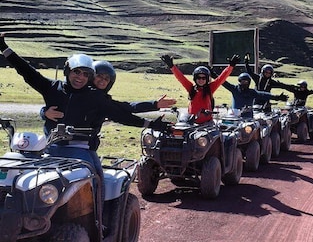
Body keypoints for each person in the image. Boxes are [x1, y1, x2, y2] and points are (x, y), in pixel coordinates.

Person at [0, 34, 169, 221]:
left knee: (96, 182)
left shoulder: (95, 97)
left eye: (85, 74)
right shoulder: (51, 88)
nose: (80, 77)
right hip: (49, 149)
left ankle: (98, 222)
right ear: (68, 70)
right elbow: (26, 71)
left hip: (81, 150)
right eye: (76, 72)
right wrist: (4, 48)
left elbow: (122, 112)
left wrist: (151, 123)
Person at [42, 60, 177, 122]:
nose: (102, 80)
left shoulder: (101, 99)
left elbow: (124, 107)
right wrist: (44, 113)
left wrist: (154, 105)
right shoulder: (78, 92)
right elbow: (53, 105)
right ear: (91, 77)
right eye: (99, 76)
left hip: (86, 144)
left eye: (106, 78)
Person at [161, 53, 240, 124]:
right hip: (191, 123)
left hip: (207, 124)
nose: (201, 80)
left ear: (207, 79)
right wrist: (172, 66)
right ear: (195, 79)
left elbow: (221, 78)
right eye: (198, 78)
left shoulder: (210, 88)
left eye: (203, 78)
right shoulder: (191, 88)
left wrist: (231, 66)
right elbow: (181, 78)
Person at [213, 72, 288, 118]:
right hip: (234, 116)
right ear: (239, 81)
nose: (244, 83)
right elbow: (223, 82)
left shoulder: (252, 92)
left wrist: (277, 97)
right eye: (242, 81)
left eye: (246, 82)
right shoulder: (234, 89)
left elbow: (263, 95)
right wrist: (213, 74)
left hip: (248, 118)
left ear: (249, 83)